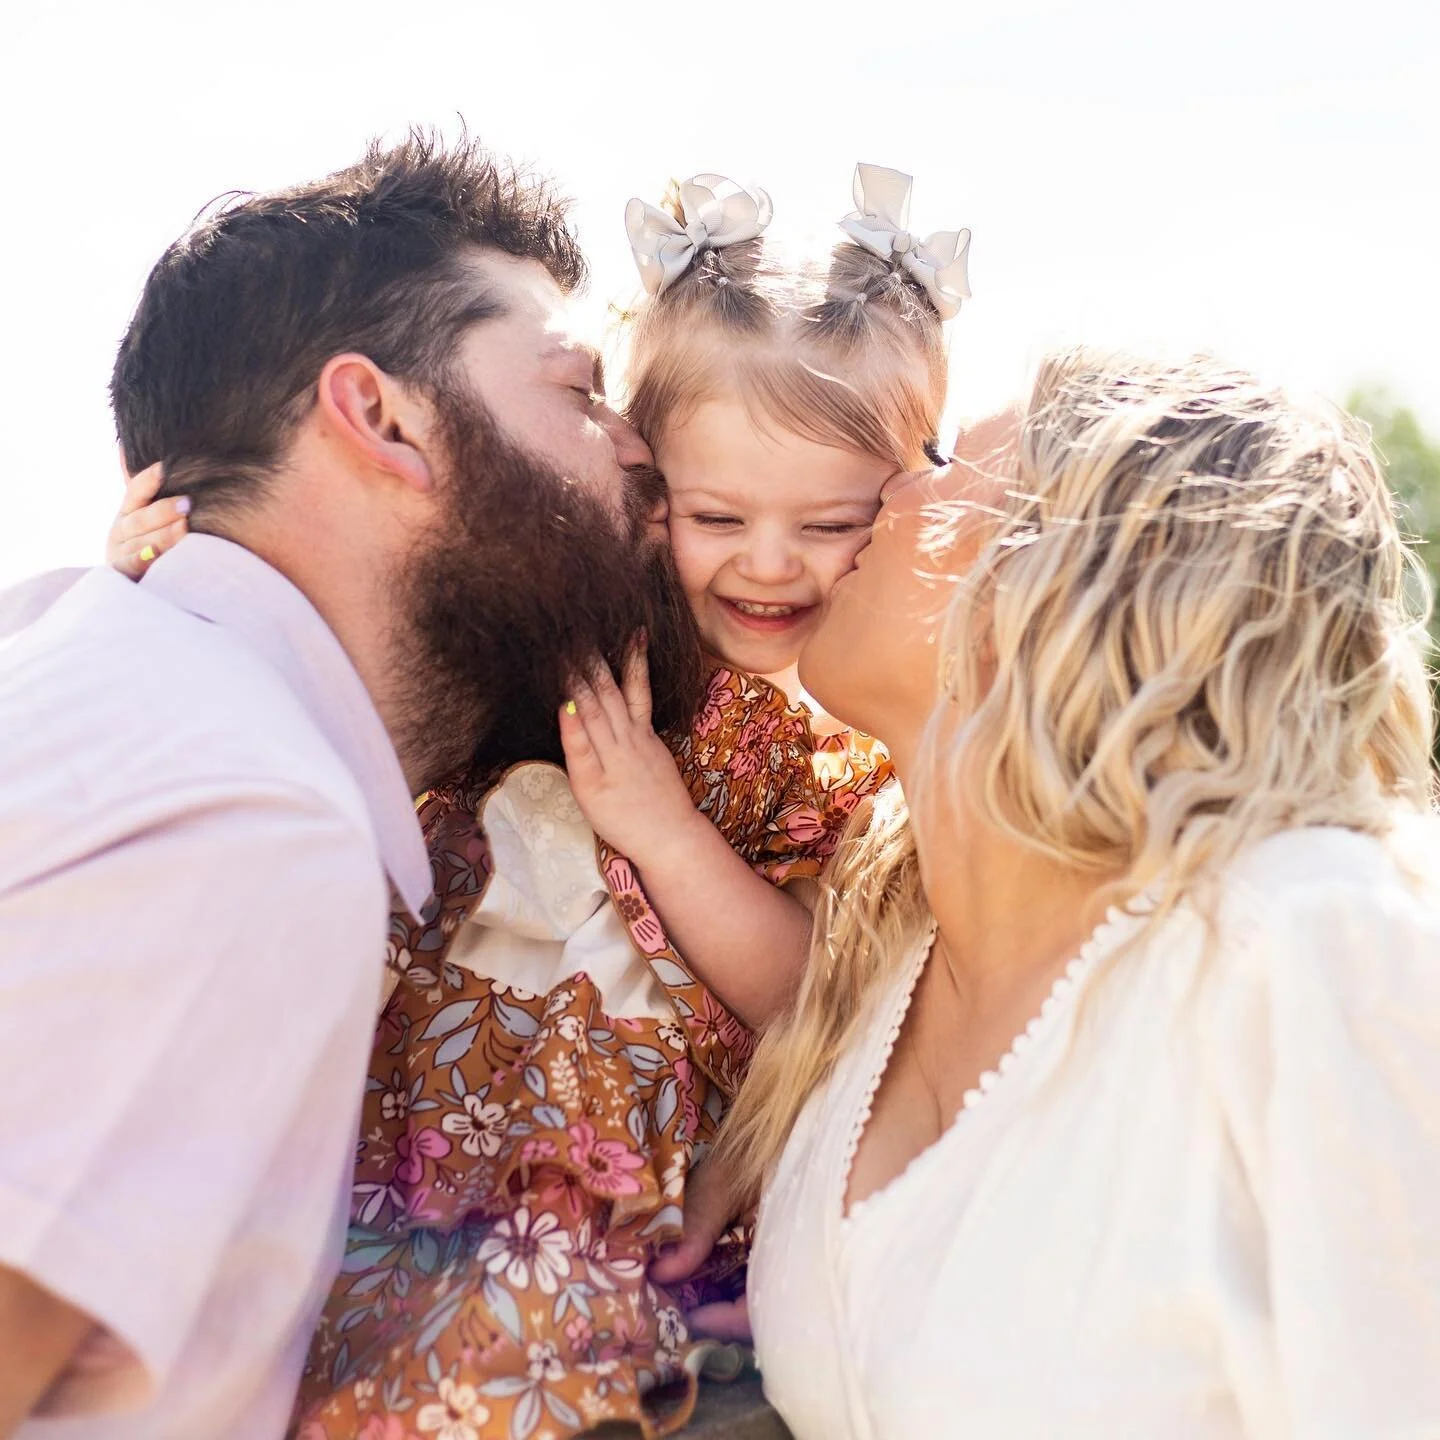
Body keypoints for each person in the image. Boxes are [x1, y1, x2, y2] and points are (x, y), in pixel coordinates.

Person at [116, 164, 970, 1437]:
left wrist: (667, 836)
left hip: (635, 1234)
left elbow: (820, 995)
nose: (771, 564)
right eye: (716, 514)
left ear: (902, 510)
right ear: (641, 471)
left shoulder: (833, 739)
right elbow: (363, 666)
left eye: (830, 523)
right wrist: (178, 573)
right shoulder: (556, 618)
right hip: (426, 1158)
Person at [0, 130, 696, 1440]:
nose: (633, 451)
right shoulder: (239, 813)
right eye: (578, 392)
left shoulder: (97, 672)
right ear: (383, 417)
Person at [663, 348, 1440, 1436]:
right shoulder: (871, 971)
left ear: (1059, 573)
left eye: (944, 463)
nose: (892, 485)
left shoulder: (1308, 940)